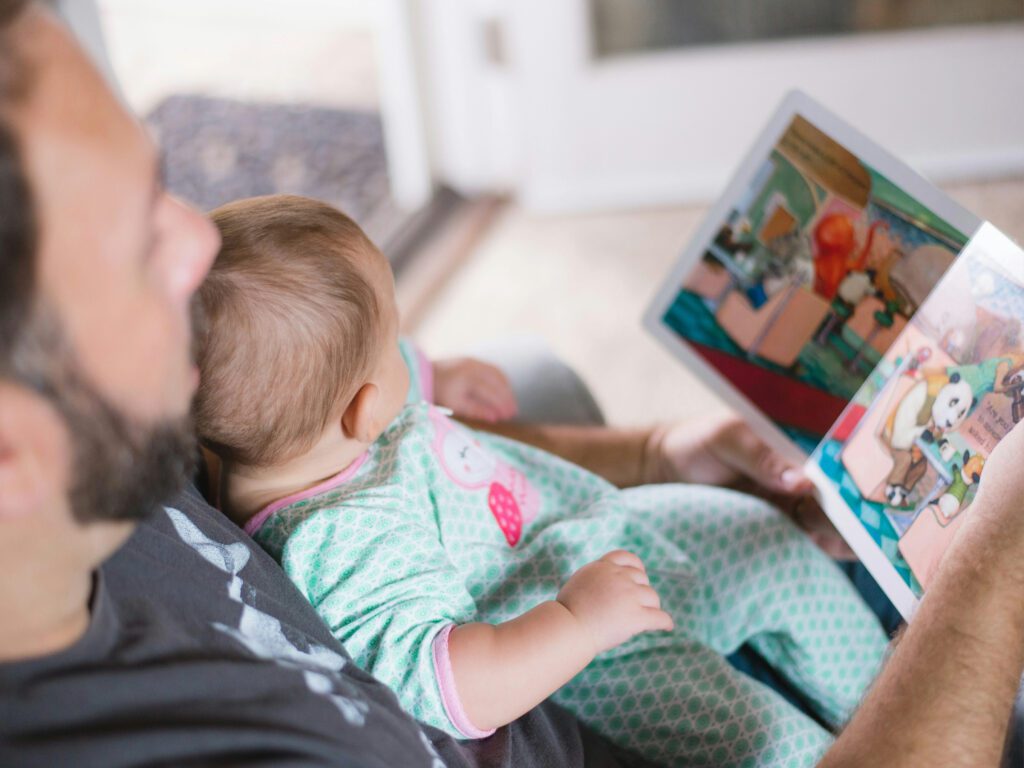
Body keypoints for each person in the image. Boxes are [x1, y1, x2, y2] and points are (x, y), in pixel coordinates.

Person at [0, 3, 1021, 766]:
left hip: (581, 547)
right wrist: (998, 557)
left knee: (806, 515)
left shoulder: (163, 401)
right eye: (135, 238)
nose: (195, 237)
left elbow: (395, 434)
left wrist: (655, 448)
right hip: (610, 661)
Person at [193, 194, 887, 767]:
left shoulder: (306, 427)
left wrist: (436, 373)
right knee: (767, 746)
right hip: (598, 650)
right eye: (394, 340)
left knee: (764, 537)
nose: (406, 348)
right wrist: (577, 622)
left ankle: (887, 697)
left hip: (596, 526)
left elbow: (366, 369)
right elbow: (449, 684)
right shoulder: (343, 541)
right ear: (364, 410)